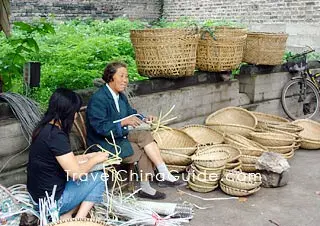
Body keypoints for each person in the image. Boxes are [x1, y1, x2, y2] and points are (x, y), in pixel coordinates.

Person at [86, 62, 184, 200]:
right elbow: (100, 128)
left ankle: (163, 173)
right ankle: (149, 185)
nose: (125, 80)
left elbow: (131, 113)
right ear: (110, 77)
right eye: (121, 76)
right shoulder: (99, 99)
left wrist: (144, 119)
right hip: (103, 142)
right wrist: (123, 122)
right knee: (143, 149)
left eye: (127, 76)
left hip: (119, 136)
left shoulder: (120, 96)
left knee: (145, 135)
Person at [27, 88, 109, 220]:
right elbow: (76, 174)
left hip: (38, 198)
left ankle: (67, 215)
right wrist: (95, 160)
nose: (76, 116)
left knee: (91, 176)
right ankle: (78, 220)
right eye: (75, 112)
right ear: (67, 113)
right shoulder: (56, 136)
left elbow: (61, 159)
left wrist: (87, 157)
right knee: (99, 177)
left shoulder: (44, 128)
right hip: (51, 203)